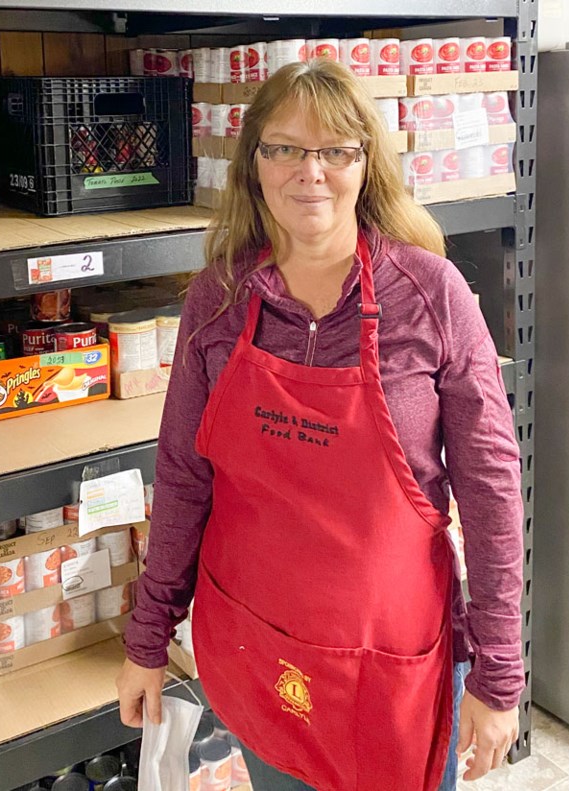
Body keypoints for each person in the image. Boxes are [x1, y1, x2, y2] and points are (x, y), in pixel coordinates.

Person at [118, 58, 525, 791]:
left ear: (366, 163)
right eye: (284, 148)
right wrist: (147, 639)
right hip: (257, 648)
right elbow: (183, 476)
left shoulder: (432, 296)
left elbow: (492, 493)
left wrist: (499, 674)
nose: (311, 172)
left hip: (394, 668)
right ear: (253, 165)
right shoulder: (218, 300)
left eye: (335, 149)